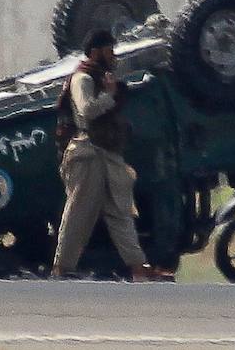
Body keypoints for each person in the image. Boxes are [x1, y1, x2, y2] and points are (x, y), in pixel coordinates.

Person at [51, 28, 166, 282]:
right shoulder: (83, 78)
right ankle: (62, 268)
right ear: (95, 52)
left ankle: (138, 267)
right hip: (87, 154)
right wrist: (108, 96)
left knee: (120, 212)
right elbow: (86, 112)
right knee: (79, 213)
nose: (113, 55)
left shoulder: (100, 77)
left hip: (106, 153)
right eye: (108, 50)